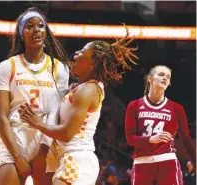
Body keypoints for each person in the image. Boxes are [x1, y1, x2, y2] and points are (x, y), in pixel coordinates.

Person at [19, 31, 138, 185]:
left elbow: (67, 133)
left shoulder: (89, 90)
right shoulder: (76, 87)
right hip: (62, 156)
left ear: (92, 63)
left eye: (82, 51)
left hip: (76, 158)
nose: (76, 53)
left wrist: (37, 123)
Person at [0, 7, 69, 185]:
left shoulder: (60, 69)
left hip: (46, 139)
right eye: (29, 26)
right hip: (15, 137)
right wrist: (18, 157)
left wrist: (43, 151)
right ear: (21, 34)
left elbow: (57, 113)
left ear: (45, 31)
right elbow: (0, 117)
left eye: (40, 26)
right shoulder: (7, 66)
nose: (36, 30)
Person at [125, 65, 196, 185]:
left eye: (168, 77)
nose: (165, 78)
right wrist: (151, 139)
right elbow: (130, 139)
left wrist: (195, 162)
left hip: (167, 162)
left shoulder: (176, 108)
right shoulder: (134, 106)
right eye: (161, 75)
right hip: (141, 163)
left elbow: (186, 139)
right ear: (150, 79)